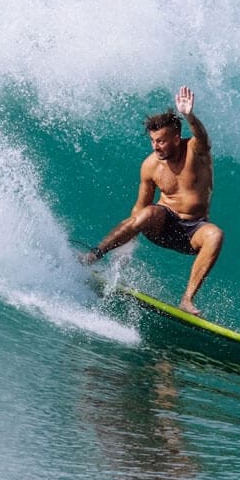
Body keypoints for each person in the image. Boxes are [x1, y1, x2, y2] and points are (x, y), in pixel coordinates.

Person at [82, 86, 223, 315]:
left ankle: (186, 300)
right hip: (162, 225)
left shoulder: (196, 151)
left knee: (215, 234)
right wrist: (129, 243)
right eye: (153, 141)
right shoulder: (150, 166)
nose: (156, 146)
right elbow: (140, 207)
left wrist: (189, 115)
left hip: (193, 230)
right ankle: (93, 256)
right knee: (148, 212)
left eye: (161, 141)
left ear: (176, 139)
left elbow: (202, 137)